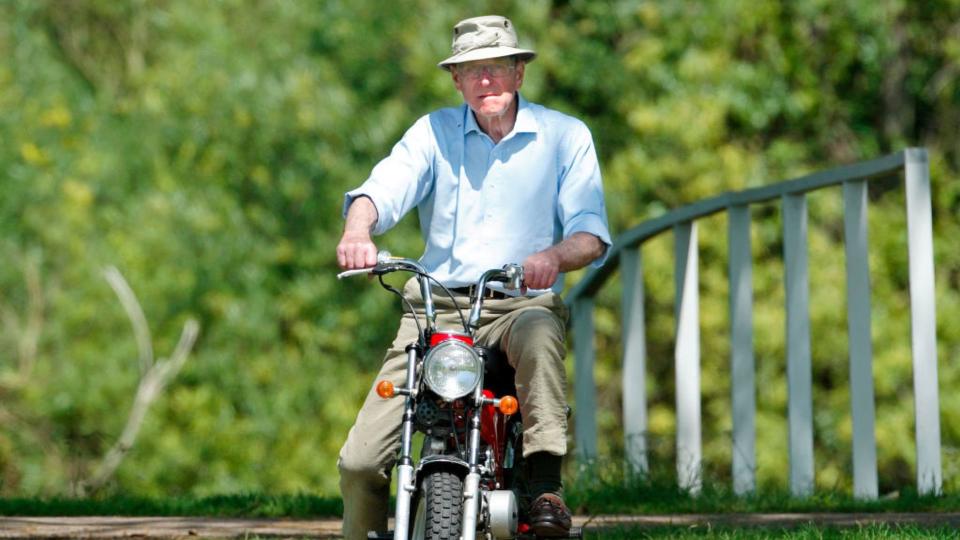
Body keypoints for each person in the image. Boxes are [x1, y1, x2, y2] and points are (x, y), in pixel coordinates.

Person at [335, 14, 611, 539]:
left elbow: (591, 234)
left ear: (519, 74)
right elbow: (381, 190)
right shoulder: (432, 133)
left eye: (498, 67)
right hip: (434, 308)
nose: (486, 80)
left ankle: (546, 485)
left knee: (538, 335)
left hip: (518, 301)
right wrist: (358, 230)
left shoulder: (565, 136)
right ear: (456, 81)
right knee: (359, 461)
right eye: (473, 70)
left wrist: (553, 257)